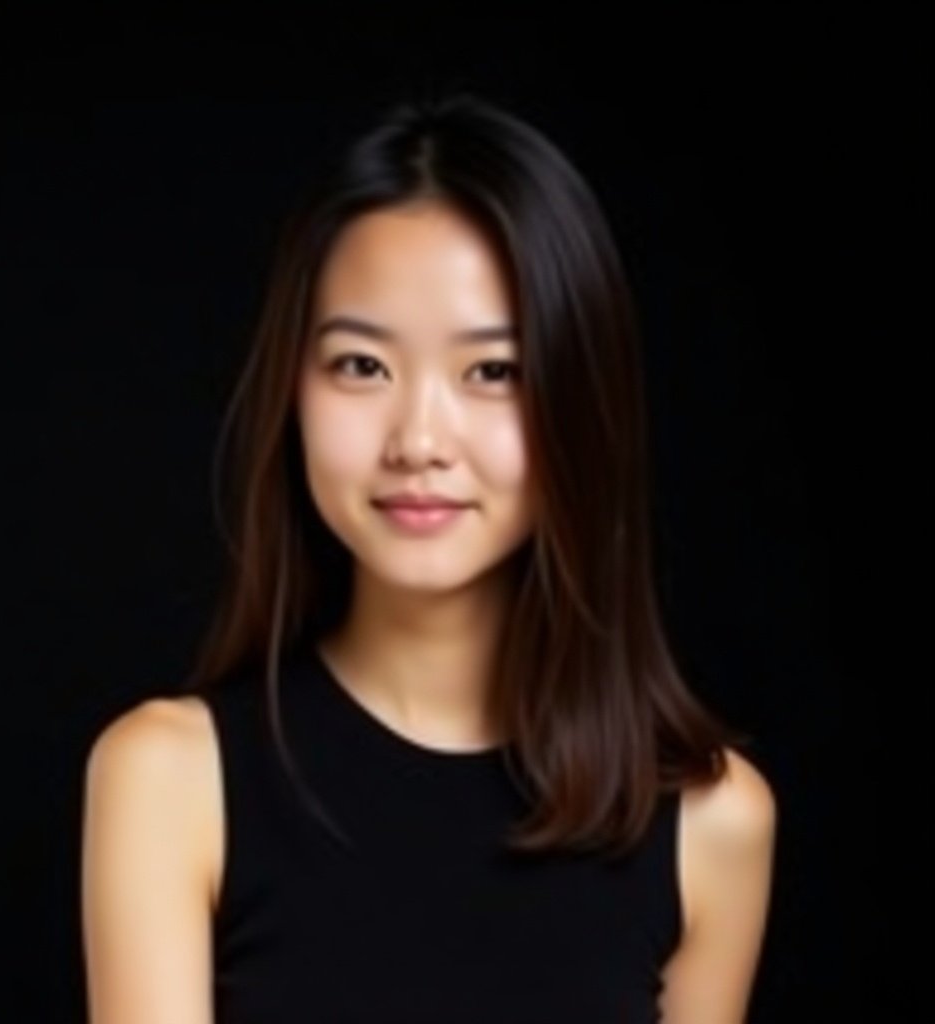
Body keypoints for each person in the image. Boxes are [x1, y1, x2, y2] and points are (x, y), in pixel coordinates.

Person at [81, 91, 777, 1023]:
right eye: (361, 366)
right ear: (293, 390)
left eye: (493, 372)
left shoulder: (712, 820)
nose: (418, 439)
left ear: (579, 400)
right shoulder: (171, 778)